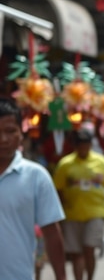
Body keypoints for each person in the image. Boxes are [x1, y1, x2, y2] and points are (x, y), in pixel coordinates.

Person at [0, 98, 66, 280]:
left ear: (21, 133)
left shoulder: (36, 177)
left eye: (10, 131)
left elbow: (52, 232)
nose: (3, 139)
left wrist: (61, 277)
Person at [53, 127, 104, 280]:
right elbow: (58, 189)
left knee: (89, 248)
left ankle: (90, 277)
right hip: (72, 213)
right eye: (80, 145)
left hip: (96, 213)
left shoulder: (101, 161)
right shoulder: (65, 164)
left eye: (86, 144)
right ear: (75, 146)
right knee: (76, 253)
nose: (83, 148)